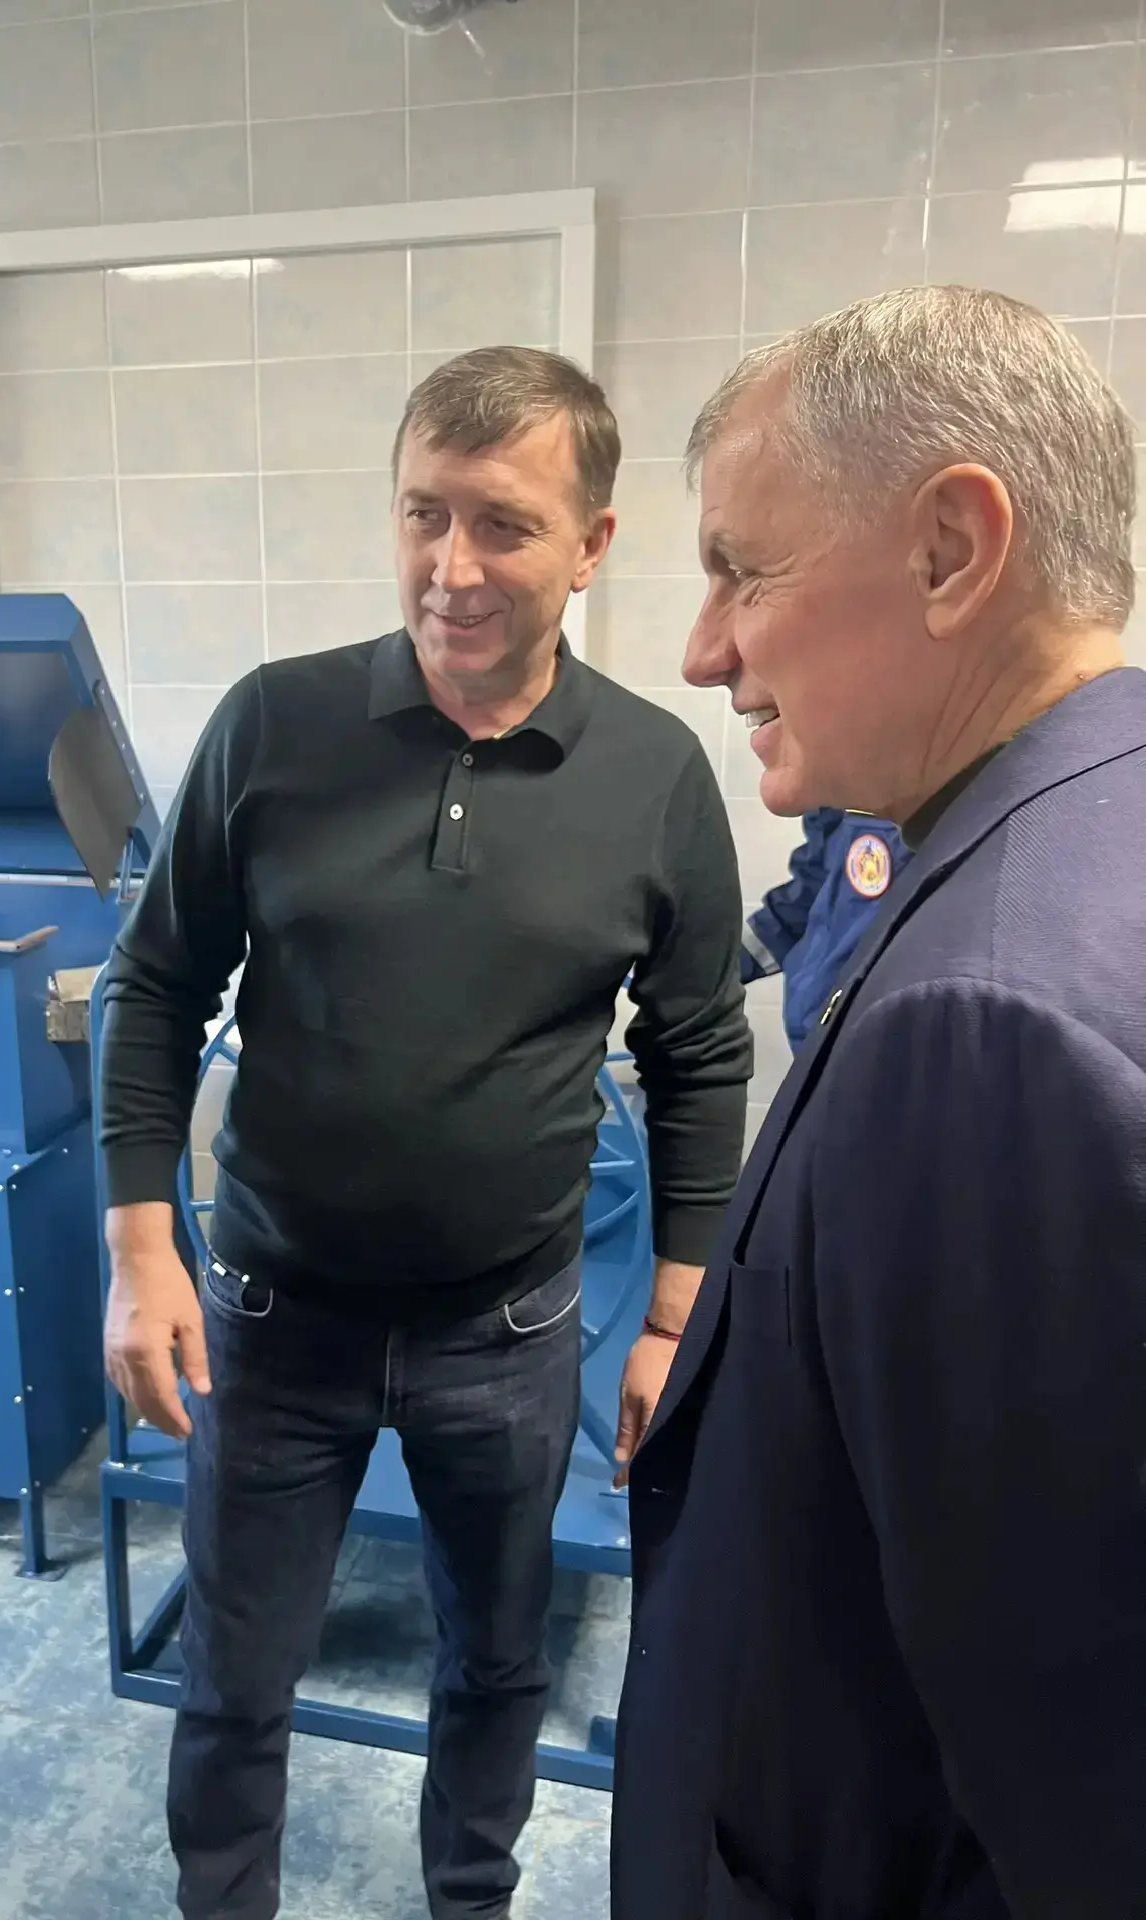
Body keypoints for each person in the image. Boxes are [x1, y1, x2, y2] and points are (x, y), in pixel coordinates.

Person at [97, 345, 753, 1920]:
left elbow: (700, 1056)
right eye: (423, 514)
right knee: (235, 1679)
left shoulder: (657, 776)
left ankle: (472, 1899)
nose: (451, 568)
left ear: (592, 545)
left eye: (503, 525)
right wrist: (140, 1247)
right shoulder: (274, 726)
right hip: (274, 1319)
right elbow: (155, 983)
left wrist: (673, 1316)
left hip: (507, 1335)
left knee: (498, 1666)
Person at [613, 286, 1146, 1920]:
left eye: (743, 571)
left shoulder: (988, 1022)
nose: (705, 650)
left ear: (950, 552)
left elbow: (1080, 1788)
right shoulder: (1090, 823)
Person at [741, 806, 910, 1048]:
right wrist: (719, 964)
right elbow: (813, 890)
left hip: (877, 1044)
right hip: (816, 1036)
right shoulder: (837, 802)